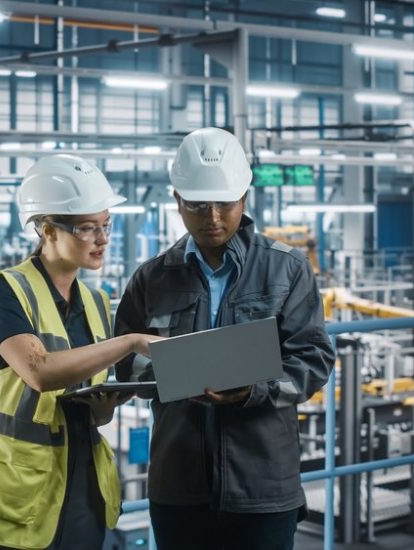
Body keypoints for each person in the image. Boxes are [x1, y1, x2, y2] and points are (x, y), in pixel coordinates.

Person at [114, 127, 335, 550]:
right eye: (198, 205)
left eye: (225, 204)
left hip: (263, 484)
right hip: (180, 485)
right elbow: (127, 364)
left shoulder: (286, 269)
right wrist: (174, 376)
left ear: (245, 199)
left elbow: (312, 360)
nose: (213, 217)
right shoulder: (152, 277)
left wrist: (254, 390)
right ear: (177, 201)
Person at [0, 154, 162, 550]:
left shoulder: (96, 302)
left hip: (81, 488)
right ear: (47, 230)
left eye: (106, 225)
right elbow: (39, 371)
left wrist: (103, 407)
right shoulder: (1, 291)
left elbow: (83, 396)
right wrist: (132, 341)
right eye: (87, 228)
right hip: (8, 493)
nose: (103, 239)